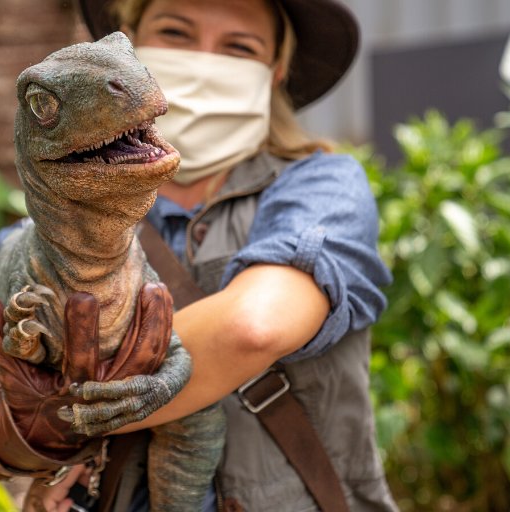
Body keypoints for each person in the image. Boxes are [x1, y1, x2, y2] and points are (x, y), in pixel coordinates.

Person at [30, 0, 398, 510]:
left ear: (276, 70)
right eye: (177, 33)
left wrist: (54, 419)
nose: (204, 60)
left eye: (238, 47)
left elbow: (254, 325)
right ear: (128, 41)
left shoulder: (323, 185)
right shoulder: (71, 206)